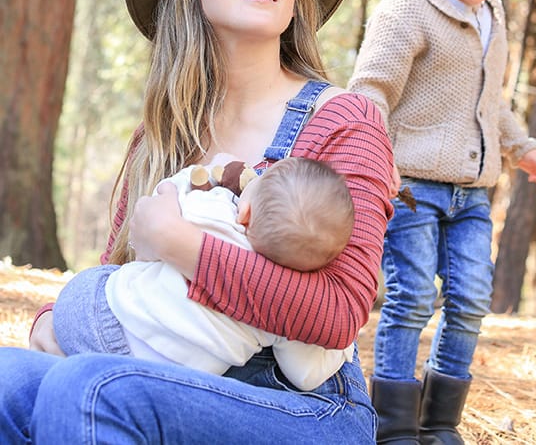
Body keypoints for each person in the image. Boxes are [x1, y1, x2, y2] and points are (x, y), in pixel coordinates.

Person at [0, 0, 395, 444]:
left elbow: (339, 313)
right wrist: (50, 315)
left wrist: (184, 245)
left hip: (304, 411)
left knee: (89, 388)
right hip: (163, 380)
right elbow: (127, 276)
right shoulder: (164, 132)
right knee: (9, 377)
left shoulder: (345, 121)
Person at [348, 0, 536, 445]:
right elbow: (368, 91)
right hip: (411, 186)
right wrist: (376, 164)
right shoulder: (407, 10)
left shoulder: (493, 19)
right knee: (412, 295)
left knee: (469, 298)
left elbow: (493, 105)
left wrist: (526, 151)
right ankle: (392, 423)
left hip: (473, 194)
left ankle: (439, 424)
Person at [52, 154, 357, 391]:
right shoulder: (281, 314)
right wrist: (342, 349)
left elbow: (173, 187)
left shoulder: (216, 211)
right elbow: (304, 375)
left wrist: (219, 172)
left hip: (103, 317)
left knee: (100, 284)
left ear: (247, 210)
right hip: (159, 378)